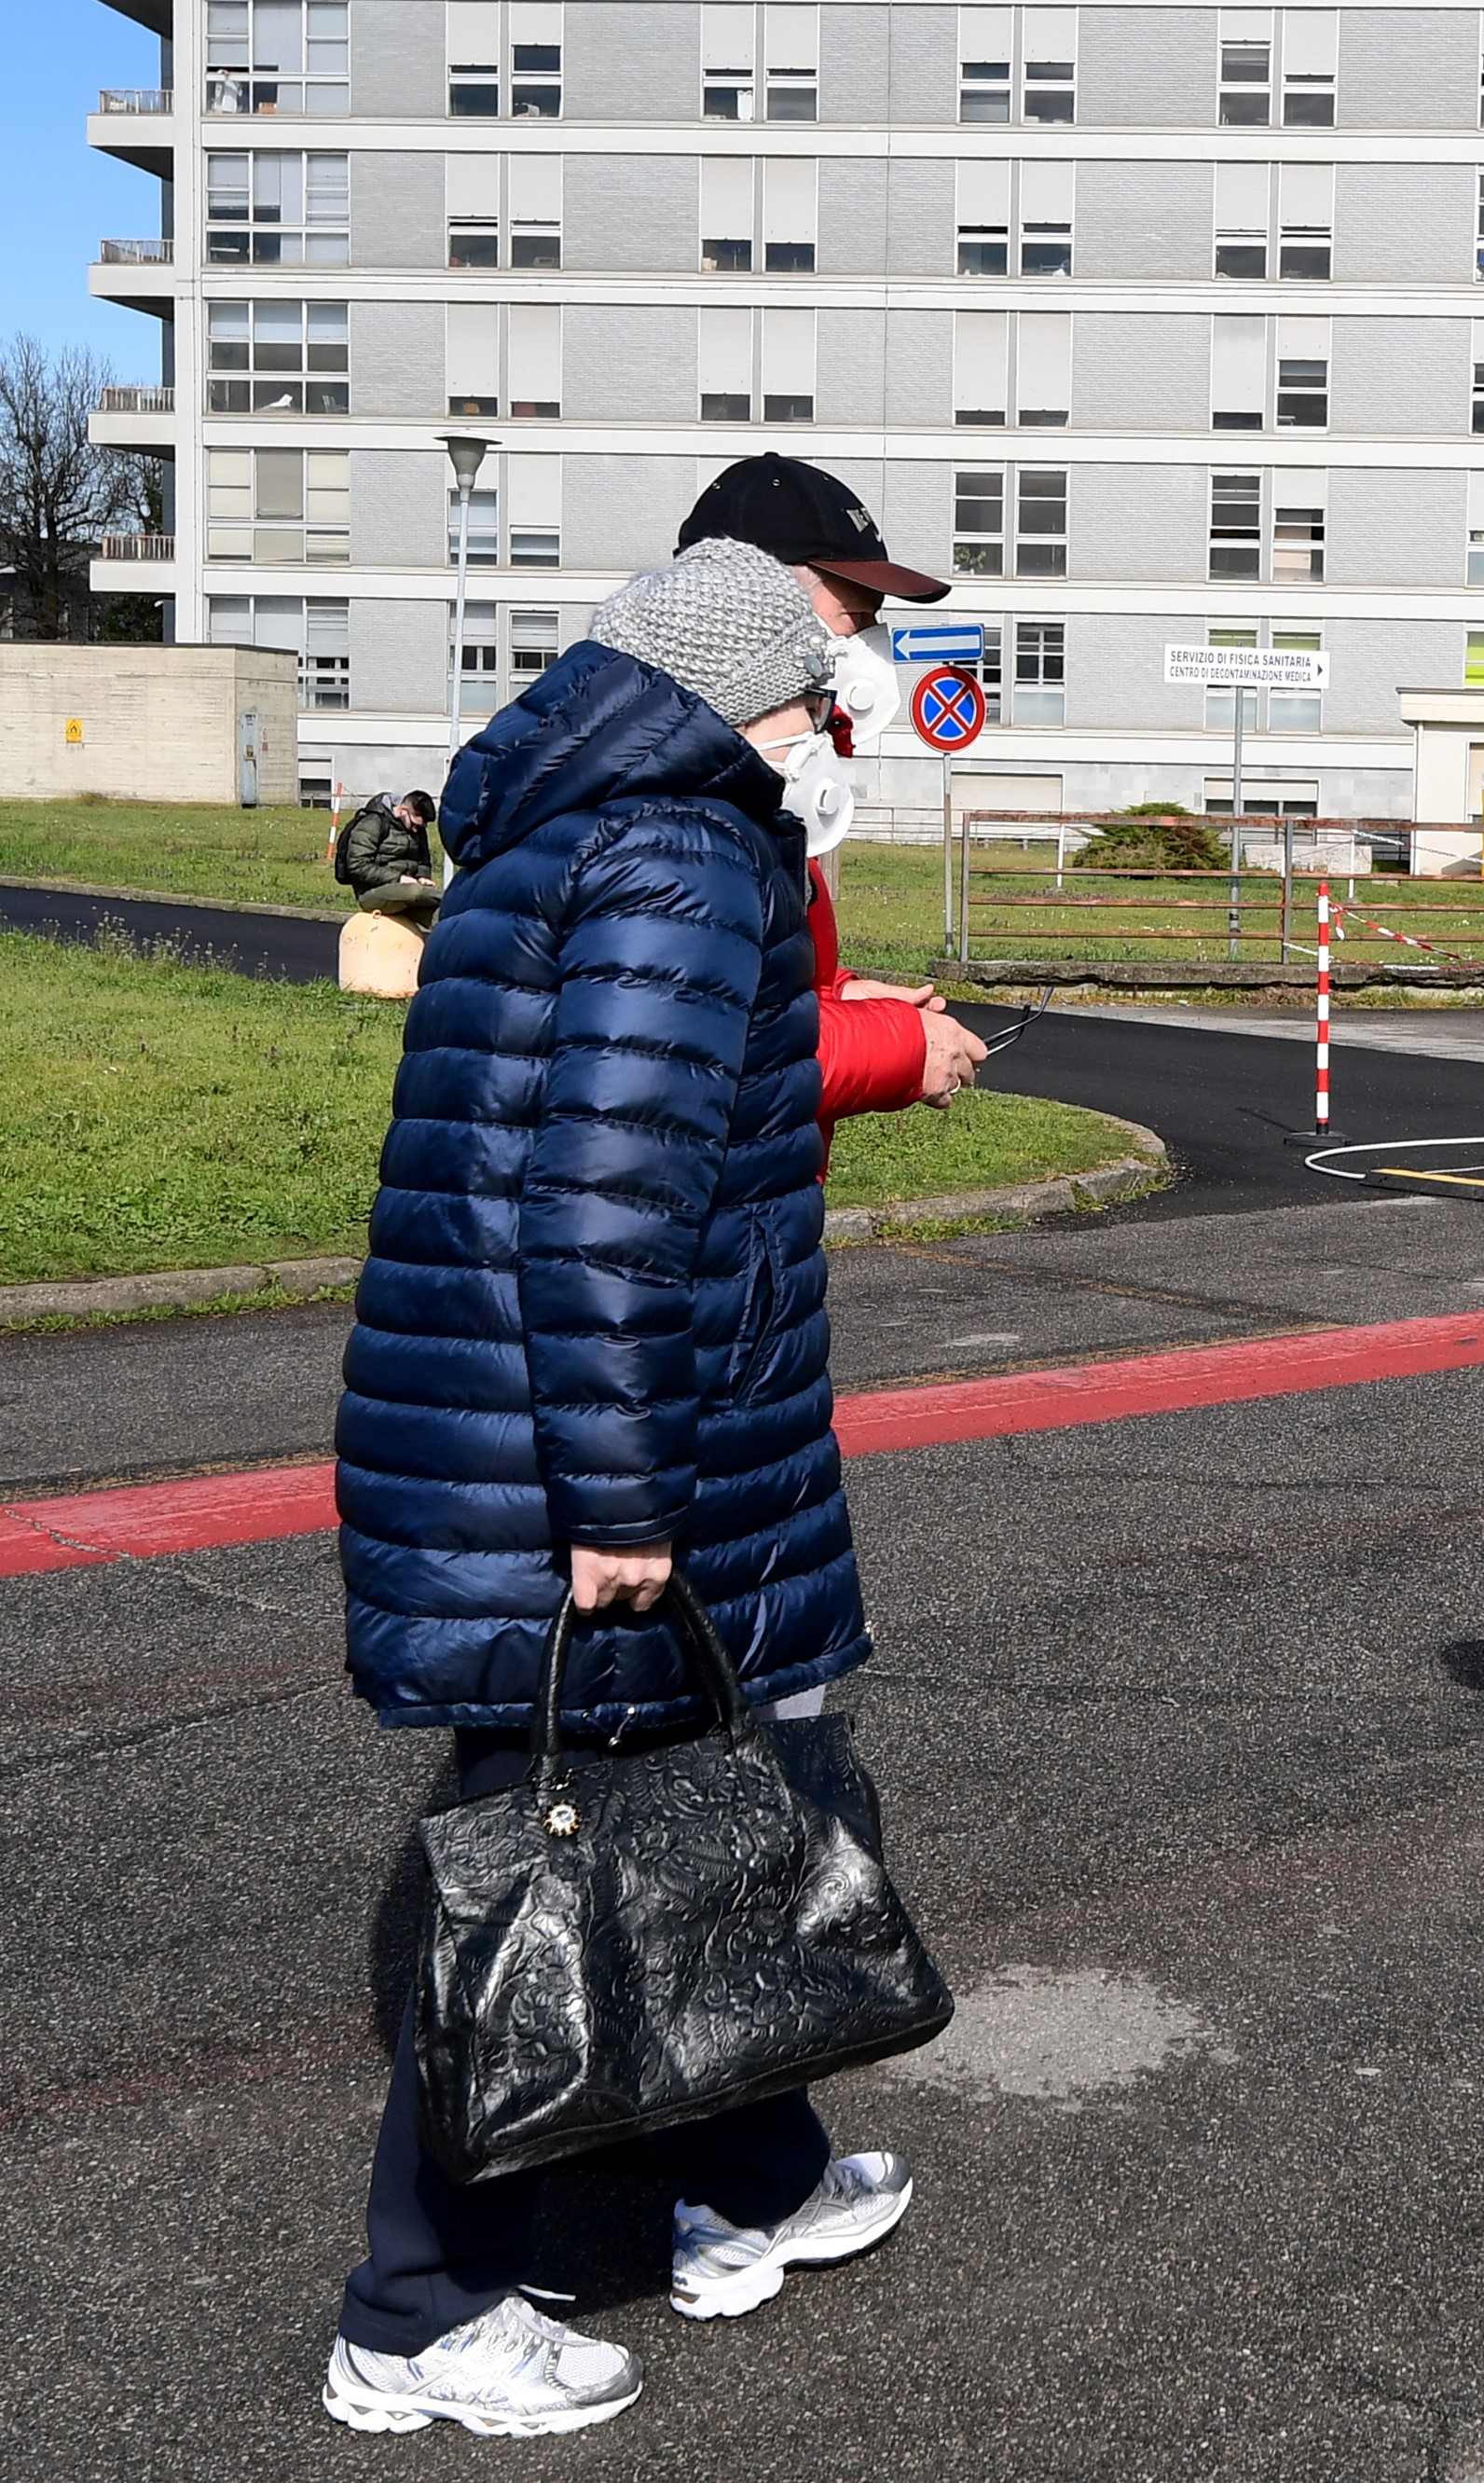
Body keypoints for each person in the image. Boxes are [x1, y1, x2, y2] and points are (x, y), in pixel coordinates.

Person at [325, 539, 914, 2438]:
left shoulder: (567, 818)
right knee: (532, 1869)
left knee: (673, 1818)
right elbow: (604, 1217)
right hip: (581, 1460)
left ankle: (739, 2172)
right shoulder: (678, 851)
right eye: (815, 698)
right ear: (737, 698)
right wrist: (626, 1495)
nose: (830, 731)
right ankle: (414, 2303)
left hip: (530, 1437)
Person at [676, 453, 988, 1136]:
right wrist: (900, 1047)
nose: (867, 654)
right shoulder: (670, 811)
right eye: (853, 619)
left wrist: (833, 993)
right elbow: (687, 1054)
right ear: (750, 608)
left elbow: (729, 987)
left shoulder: (749, 799)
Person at [332, 787, 441, 919]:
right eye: (414, 825)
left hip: (405, 890)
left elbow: (423, 860)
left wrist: (423, 877)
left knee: (443, 916)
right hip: (372, 893)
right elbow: (357, 865)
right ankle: (446, 897)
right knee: (416, 892)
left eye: (421, 827)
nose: (416, 830)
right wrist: (399, 879)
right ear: (402, 811)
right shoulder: (372, 823)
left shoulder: (418, 830)